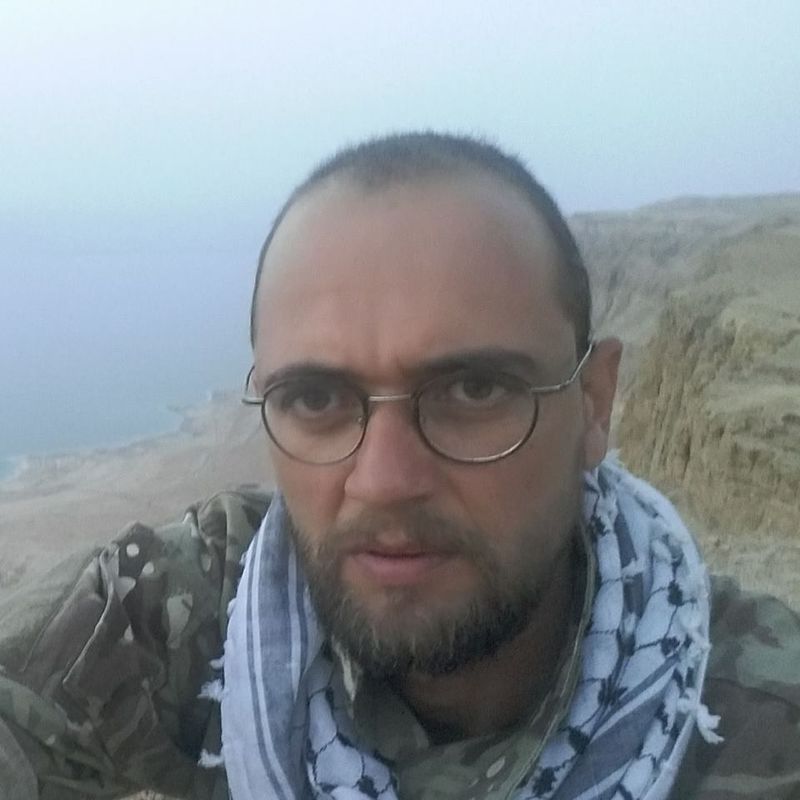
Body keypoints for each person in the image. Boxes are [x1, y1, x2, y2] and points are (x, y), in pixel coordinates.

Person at [0, 133, 798, 800]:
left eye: (472, 389)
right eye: (316, 397)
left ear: (593, 404)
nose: (383, 480)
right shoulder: (187, 609)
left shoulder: (763, 720)